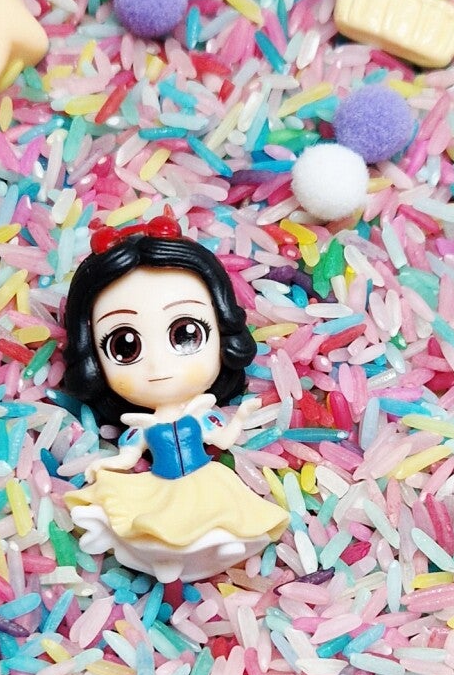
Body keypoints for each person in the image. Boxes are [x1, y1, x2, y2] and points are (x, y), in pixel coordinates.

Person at [59, 214, 288, 582]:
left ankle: (220, 547)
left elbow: (224, 440)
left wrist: (243, 415)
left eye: (185, 334)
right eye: (125, 346)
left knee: (224, 513)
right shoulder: (140, 427)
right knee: (153, 523)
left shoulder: (202, 413)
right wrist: (103, 467)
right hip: (161, 485)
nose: (158, 365)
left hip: (204, 479)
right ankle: (163, 558)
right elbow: (127, 458)